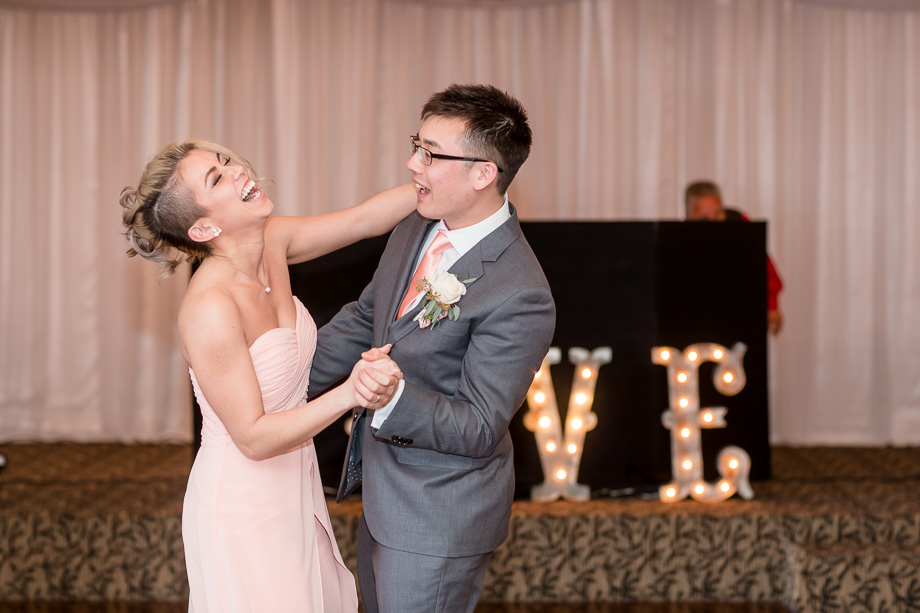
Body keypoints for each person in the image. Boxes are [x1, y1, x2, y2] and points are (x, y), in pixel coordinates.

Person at [120, 139, 418, 612]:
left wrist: (439, 182)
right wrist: (350, 393)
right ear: (203, 227)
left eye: (226, 162)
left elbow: (364, 219)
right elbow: (254, 438)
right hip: (241, 503)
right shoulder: (209, 307)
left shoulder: (273, 241)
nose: (238, 170)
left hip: (294, 484)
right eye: (217, 178)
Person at [308, 84, 556, 613]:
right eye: (415, 145)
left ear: (483, 173)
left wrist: (392, 397)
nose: (411, 163)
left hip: (438, 515)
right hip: (384, 497)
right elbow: (365, 319)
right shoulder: (417, 226)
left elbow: (479, 425)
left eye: (430, 153)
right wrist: (279, 382)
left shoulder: (522, 292)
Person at [684, 180, 784, 335]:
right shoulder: (682, 238)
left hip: (740, 311)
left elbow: (764, 266)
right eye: (705, 217)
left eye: (718, 214)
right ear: (689, 216)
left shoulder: (739, 226)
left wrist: (772, 305)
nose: (714, 222)